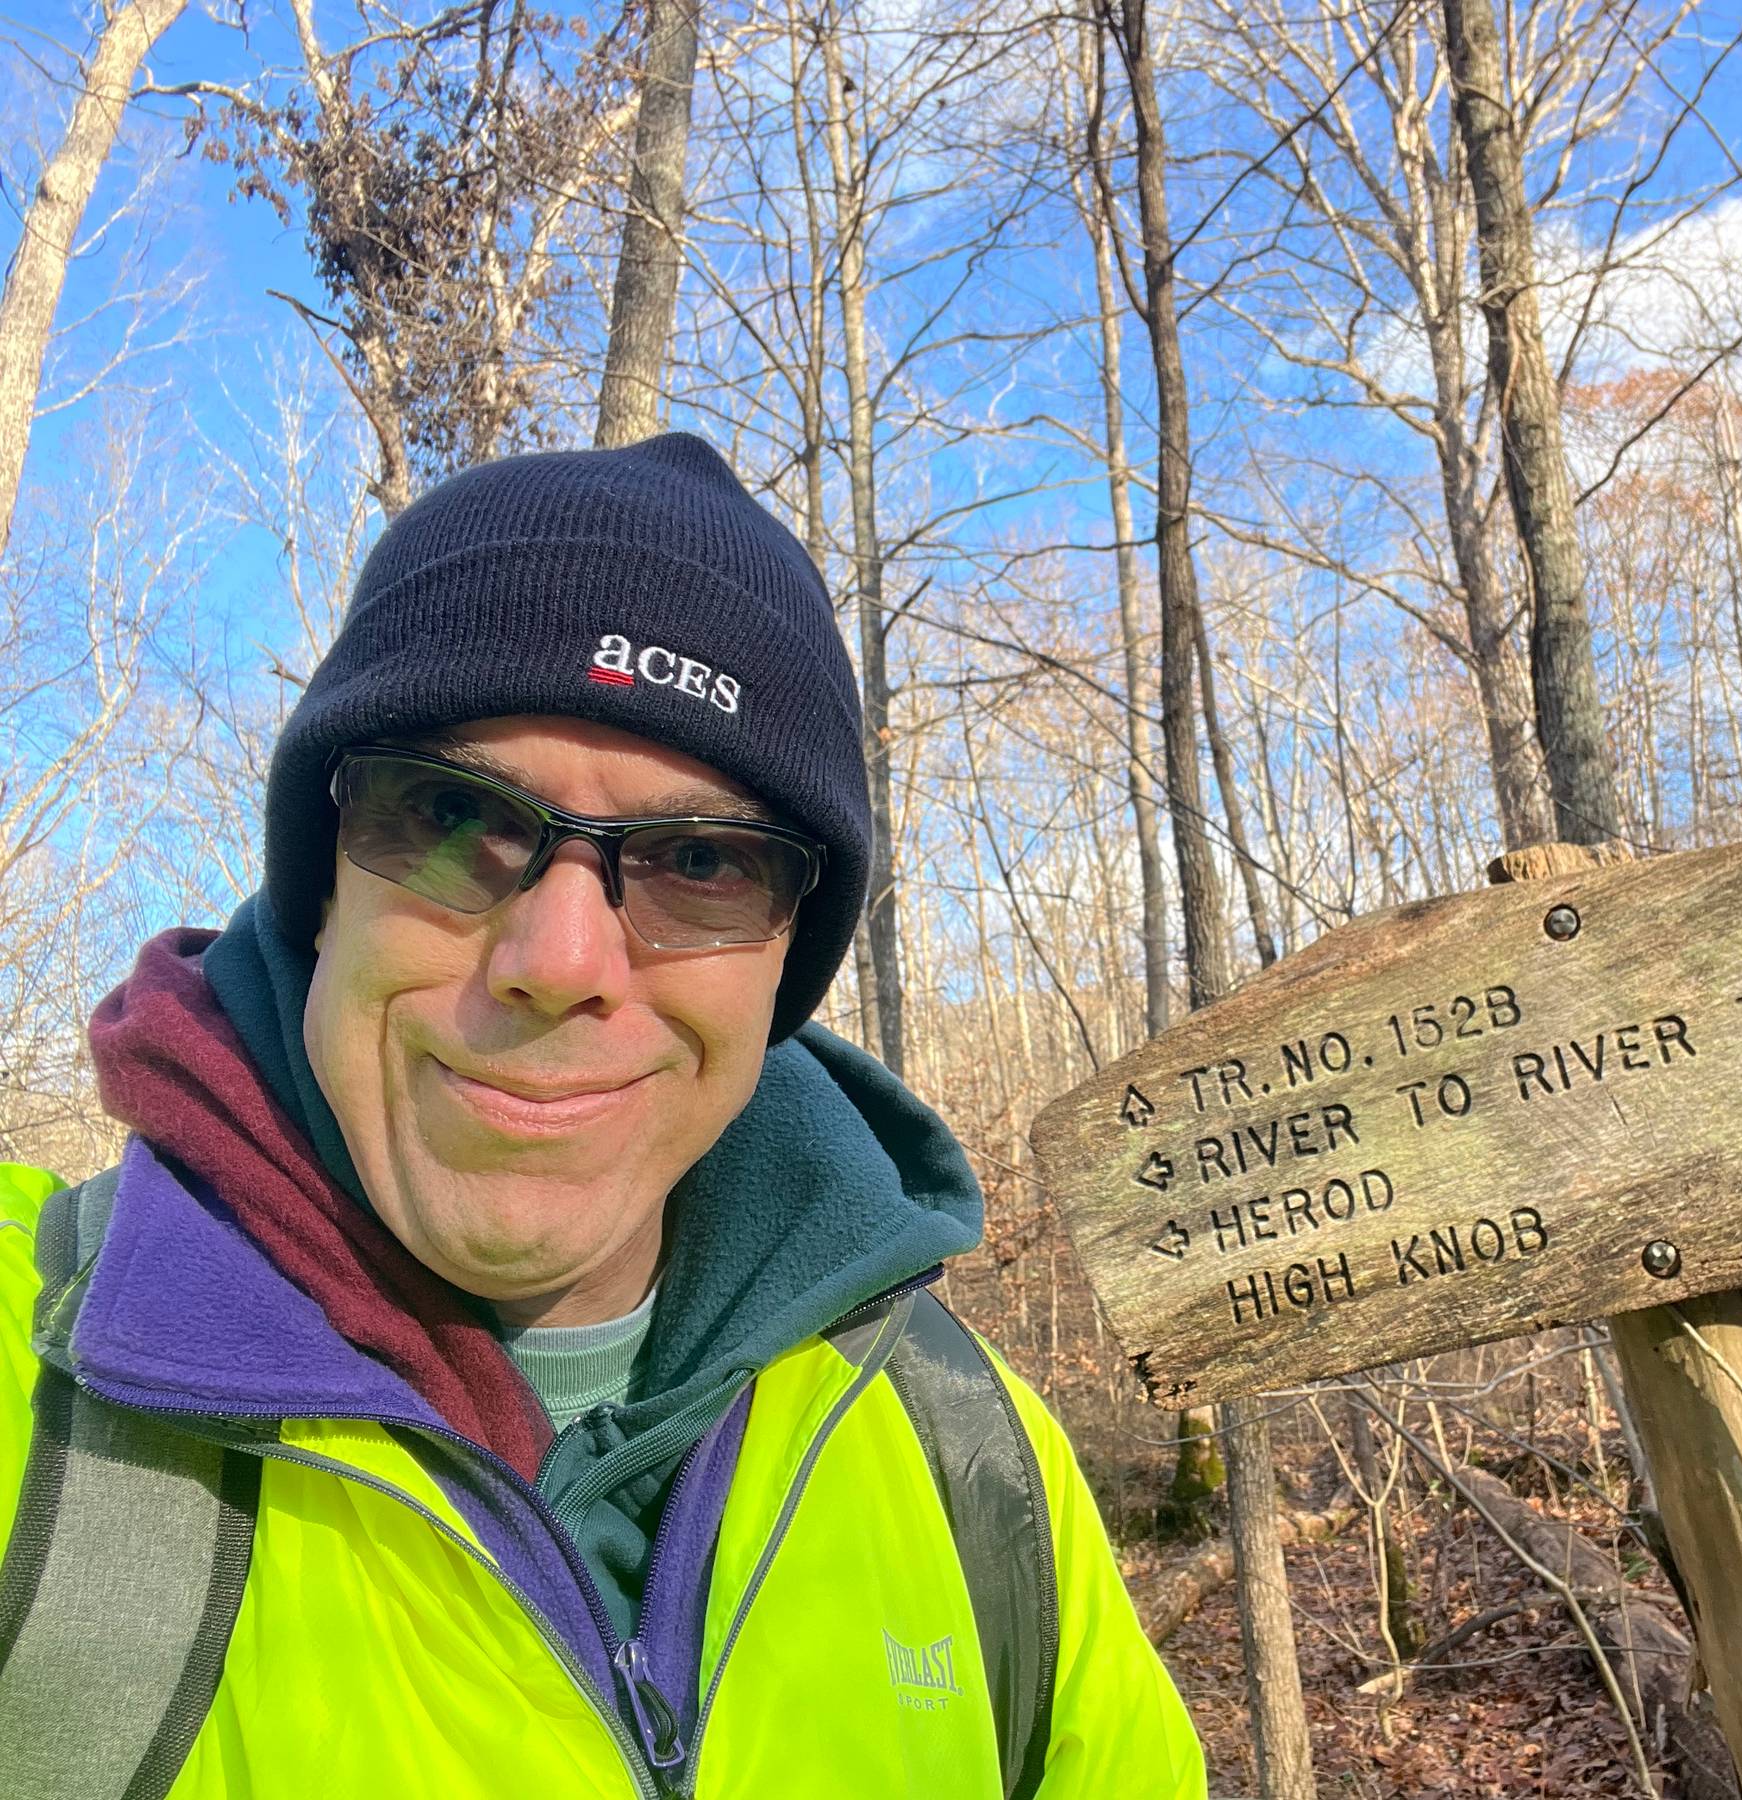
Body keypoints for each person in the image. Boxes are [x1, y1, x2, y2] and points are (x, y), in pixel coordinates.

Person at [0, 433, 1208, 1797]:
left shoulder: (975, 1461)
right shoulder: (41, 1377)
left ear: (784, 965)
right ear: (321, 881)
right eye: (453, 812)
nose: (560, 961)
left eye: (701, 861)